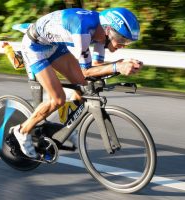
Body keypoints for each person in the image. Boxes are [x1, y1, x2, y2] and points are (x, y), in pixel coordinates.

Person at [10, 7, 144, 158]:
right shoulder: (83, 30)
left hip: (55, 45)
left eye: (126, 42)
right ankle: (21, 131)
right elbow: (86, 72)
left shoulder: (101, 33)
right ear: (108, 30)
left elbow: (97, 68)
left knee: (84, 87)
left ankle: (62, 126)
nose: (122, 45)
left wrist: (119, 65)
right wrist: (117, 66)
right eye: (121, 40)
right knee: (57, 99)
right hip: (35, 47)